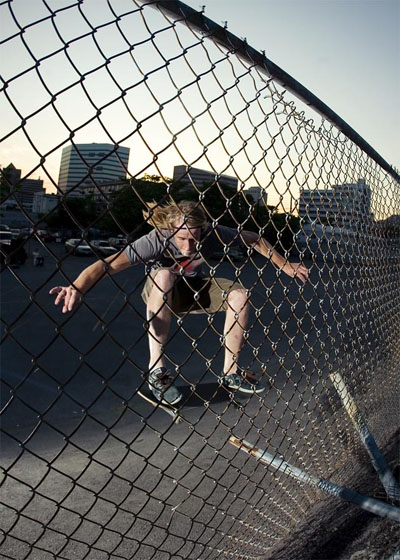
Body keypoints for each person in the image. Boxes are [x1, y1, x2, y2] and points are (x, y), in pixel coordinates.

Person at [50, 200, 308, 406]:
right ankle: (157, 370)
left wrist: (285, 265)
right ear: (170, 230)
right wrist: (78, 286)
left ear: (203, 230)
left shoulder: (214, 233)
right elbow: (108, 264)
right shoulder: (155, 239)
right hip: (162, 292)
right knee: (164, 274)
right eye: (181, 238)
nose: (188, 246)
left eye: (194, 239)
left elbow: (254, 238)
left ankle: (230, 372)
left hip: (194, 290)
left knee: (240, 294)